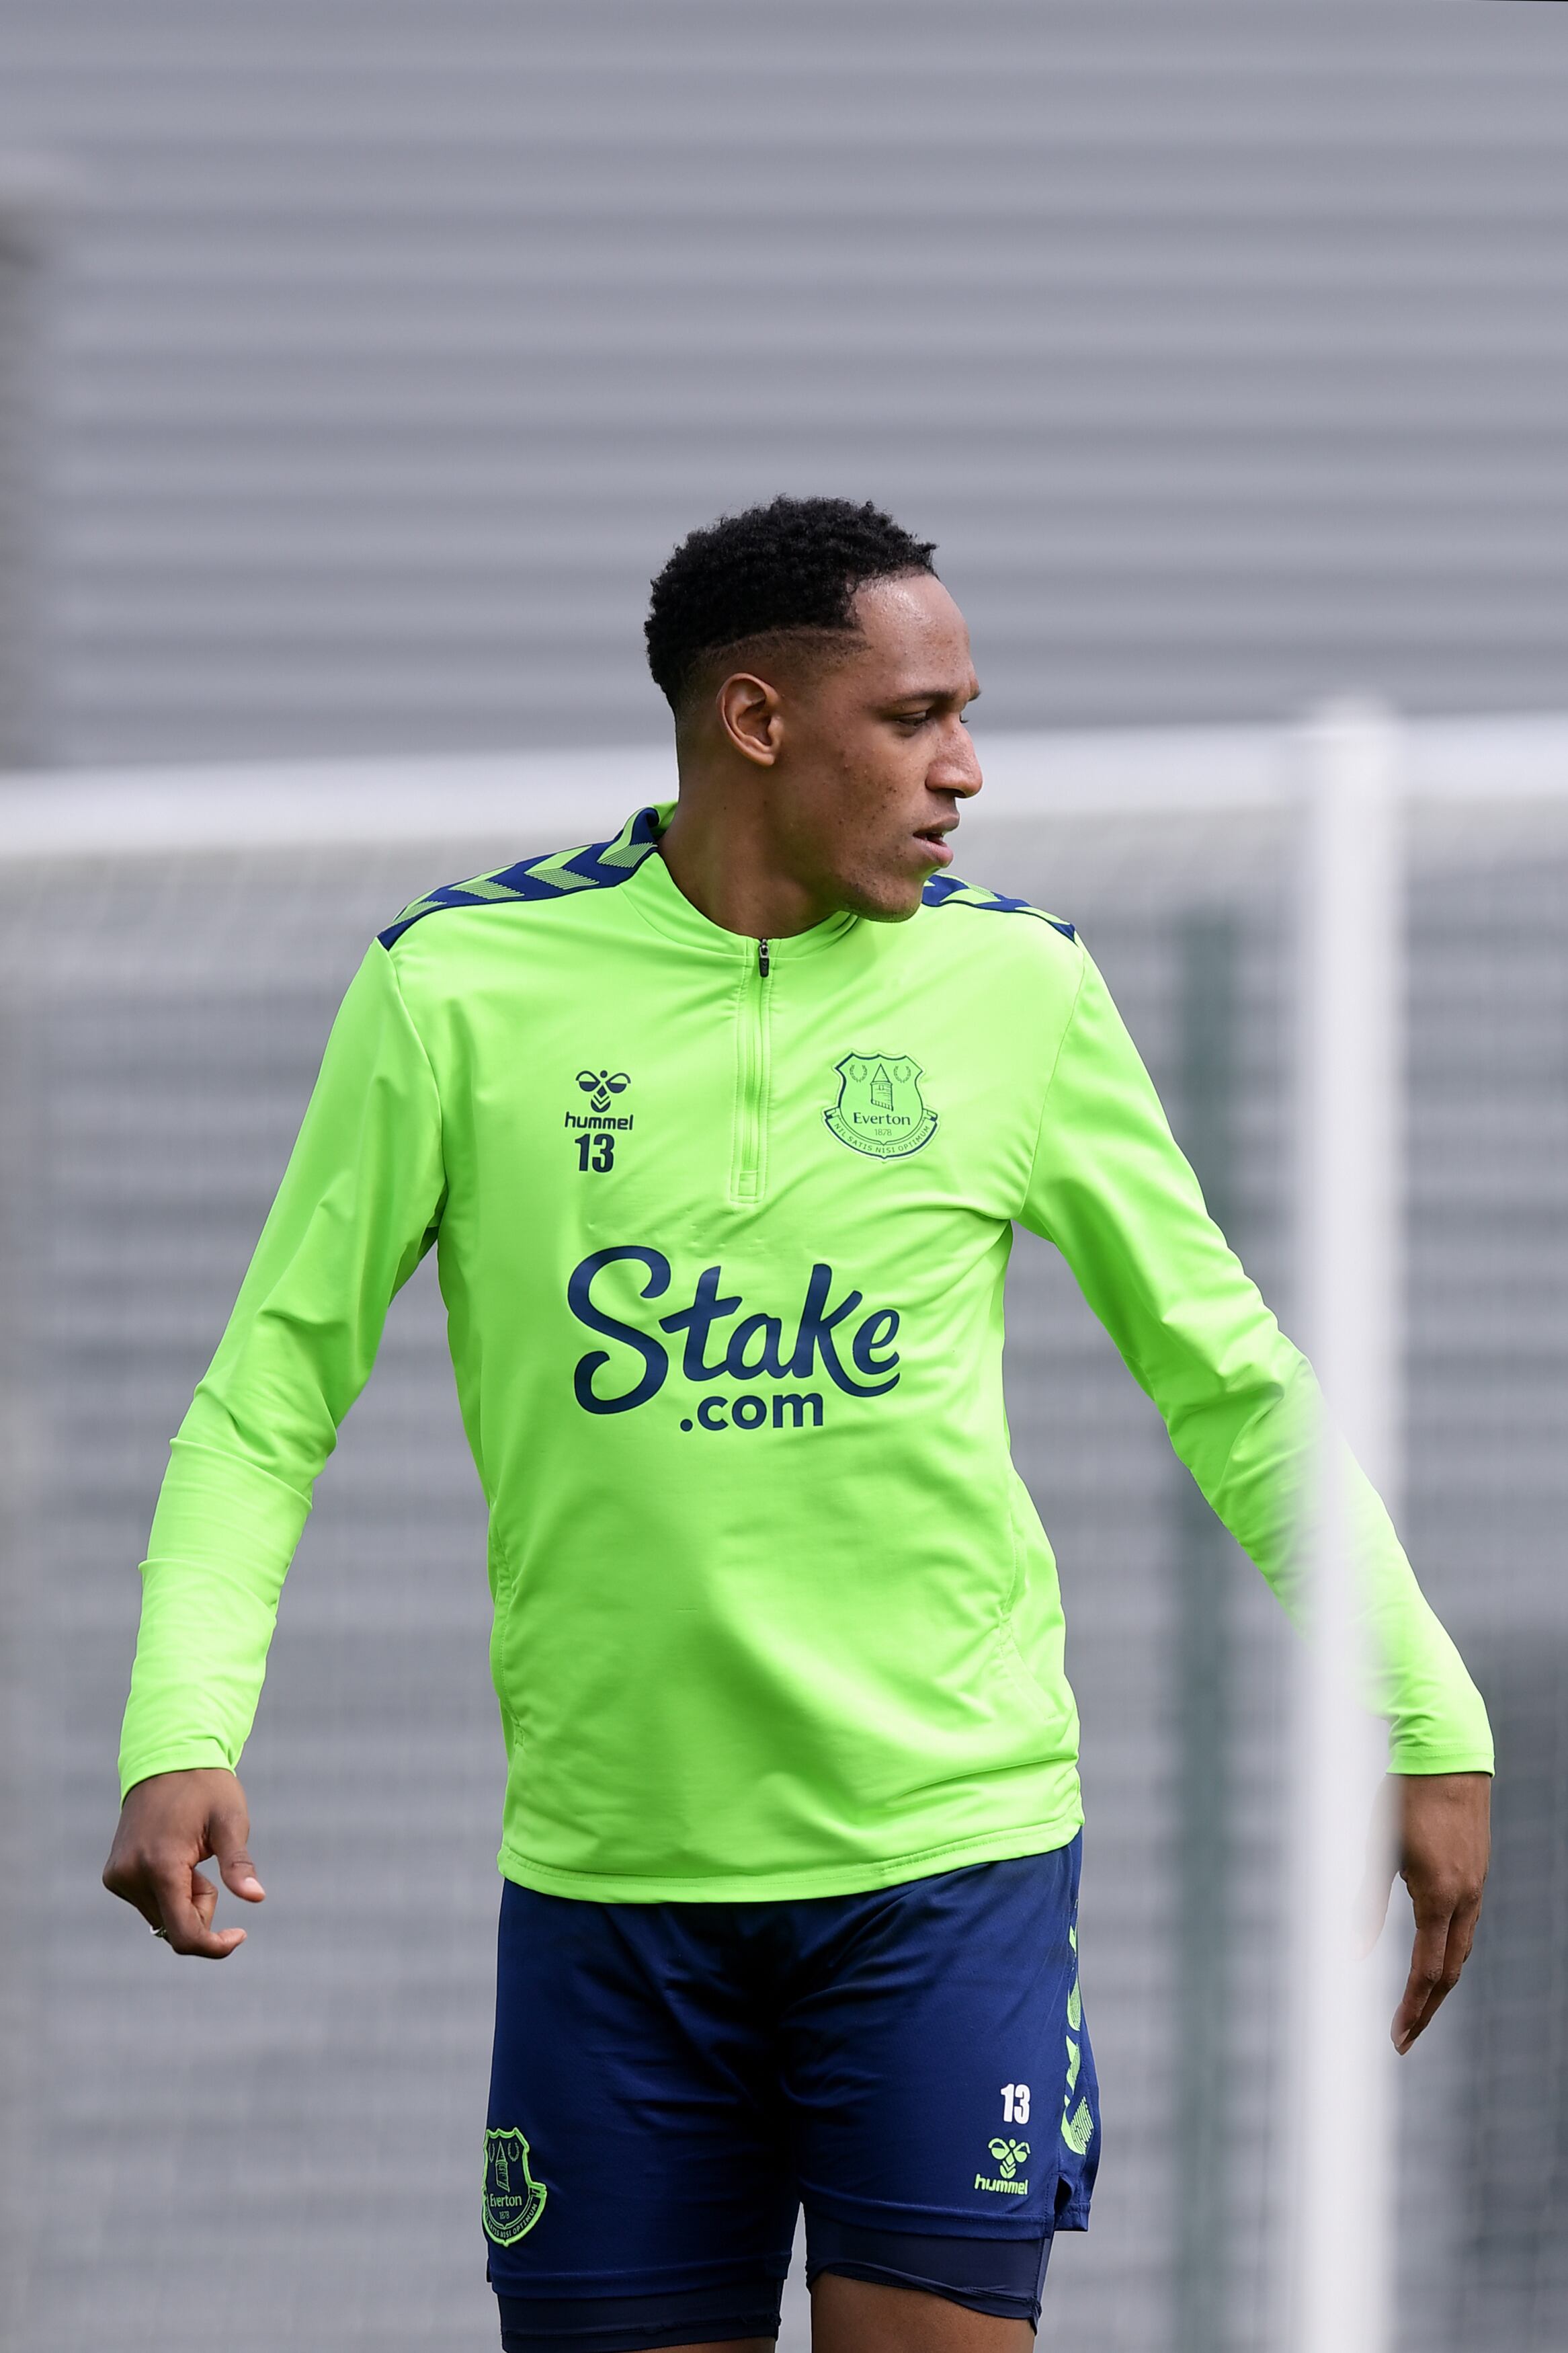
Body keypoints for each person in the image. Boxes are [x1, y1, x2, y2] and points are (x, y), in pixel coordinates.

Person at [104, 497, 1493, 2353]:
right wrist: (179, 1726)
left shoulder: (1020, 991)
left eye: (964, 715)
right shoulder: (456, 991)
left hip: (947, 1868)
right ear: (756, 721)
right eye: (915, 717)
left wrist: (1426, 1710)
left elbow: (1226, 1375)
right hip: (616, 1894)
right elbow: (267, 1399)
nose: (965, 768)